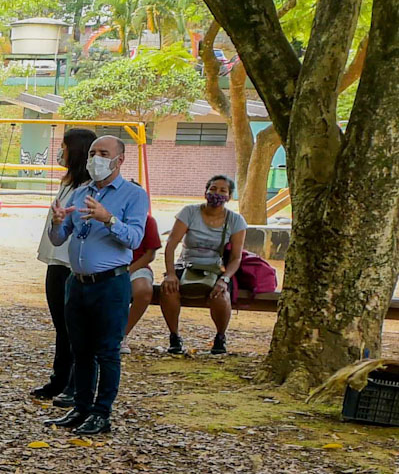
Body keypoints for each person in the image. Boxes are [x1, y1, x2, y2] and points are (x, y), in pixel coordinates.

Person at [47, 134, 148, 437]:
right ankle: (80, 407)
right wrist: (56, 222)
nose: (95, 159)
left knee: (107, 351)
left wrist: (109, 219)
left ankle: (102, 412)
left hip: (110, 283)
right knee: (80, 350)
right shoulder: (80, 193)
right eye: (92, 153)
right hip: (77, 282)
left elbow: (135, 239)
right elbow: (59, 239)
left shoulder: (133, 195)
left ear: (120, 160)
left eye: (104, 153)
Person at [31, 128, 96, 404]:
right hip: (55, 259)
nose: (60, 152)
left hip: (71, 262)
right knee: (61, 325)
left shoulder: (88, 188)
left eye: (64, 147)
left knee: (74, 327)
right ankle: (59, 379)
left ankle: (74, 384)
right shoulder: (68, 182)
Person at [161, 174, 248, 356]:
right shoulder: (189, 212)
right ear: (205, 192)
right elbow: (171, 245)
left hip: (215, 269)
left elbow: (236, 258)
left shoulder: (235, 220)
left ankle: (220, 337)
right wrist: (170, 273)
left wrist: (225, 279)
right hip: (186, 265)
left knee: (221, 295)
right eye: (213, 189)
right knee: (168, 290)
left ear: (229, 196)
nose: (217, 194)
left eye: (223, 191)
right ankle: (174, 336)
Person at [123, 214, 163, 336]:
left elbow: (150, 254)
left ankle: (122, 333)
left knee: (143, 291)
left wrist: (128, 271)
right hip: (106, 267)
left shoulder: (147, 221)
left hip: (137, 265)